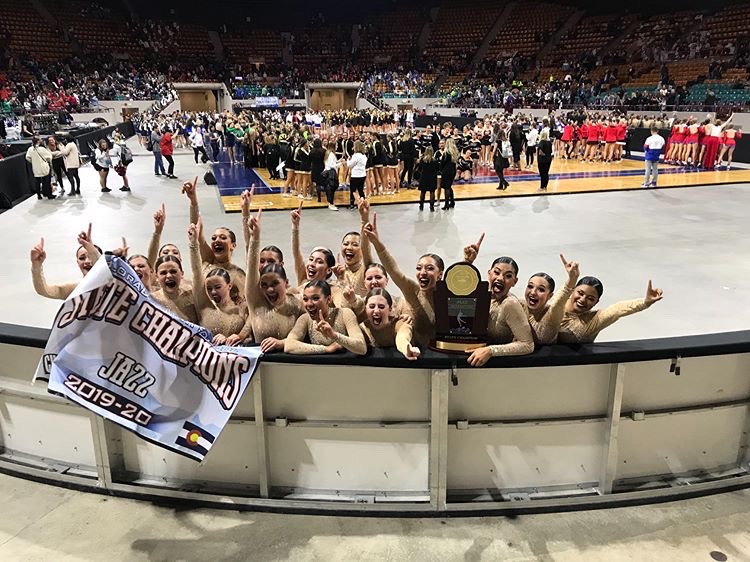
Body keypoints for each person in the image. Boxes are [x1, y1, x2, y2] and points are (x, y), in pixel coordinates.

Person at [227, 208, 304, 350]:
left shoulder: (296, 300)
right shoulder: (255, 297)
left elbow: (307, 329)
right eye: (264, 284)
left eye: (275, 283)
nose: (269, 289)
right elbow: (250, 261)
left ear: (285, 282)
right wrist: (254, 237)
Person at [363, 213, 441, 347]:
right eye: (418, 268)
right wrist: (377, 243)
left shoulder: (446, 293)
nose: (422, 272)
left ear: (440, 275)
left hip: (444, 353)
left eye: (429, 268)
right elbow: (393, 271)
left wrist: (467, 263)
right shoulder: (413, 290)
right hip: (417, 355)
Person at [462, 243, 534, 367]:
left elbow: (527, 344)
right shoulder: (482, 295)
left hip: (498, 367)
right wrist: (467, 262)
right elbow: (456, 290)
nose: (500, 278)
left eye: (508, 276)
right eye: (497, 272)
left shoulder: (510, 304)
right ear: (489, 273)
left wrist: (491, 350)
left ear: (514, 281)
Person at [187, 217, 247, 342]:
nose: (217, 240)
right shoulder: (206, 265)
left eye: (223, 237)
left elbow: (248, 309)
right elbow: (197, 235)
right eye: (213, 238)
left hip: (232, 330)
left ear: (233, 245)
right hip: (205, 322)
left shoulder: (240, 275)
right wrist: (193, 203)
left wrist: (241, 336)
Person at [558, 277, 663, 343]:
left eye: (591, 299)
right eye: (580, 293)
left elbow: (618, 308)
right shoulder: (557, 303)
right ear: (572, 291)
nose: (583, 299)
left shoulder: (594, 320)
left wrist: (645, 302)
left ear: (596, 302)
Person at [284, 280, 367, 355]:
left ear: (328, 299)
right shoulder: (305, 318)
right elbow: (289, 345)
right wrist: (325, 349)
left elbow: (362, 348)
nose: (309, 304)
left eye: (315, 298)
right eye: (305, 299)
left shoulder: (345, 314)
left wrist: (334, 335)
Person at [523, 254, 580, 344]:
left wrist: (572, 279)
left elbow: (560, 300)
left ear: (550, 296)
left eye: (541, 289)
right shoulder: (518, 305)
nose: (533, 292)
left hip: (548, 357)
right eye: (530, 286)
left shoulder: (552, 314)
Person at [30, 232, 100, 300]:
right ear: (77, 263)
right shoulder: (75, 289)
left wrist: (93, 252)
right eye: (82, 258)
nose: (87, 261)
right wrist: (36, 265)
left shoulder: (110, 284)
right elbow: (44, 290)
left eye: (91, 256)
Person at [359, 288, 420, 360]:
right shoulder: (363, 328)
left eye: (381, 307)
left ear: (390, 309)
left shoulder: (400, 323)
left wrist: (406, 349)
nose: (376, 311)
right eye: (372, 306)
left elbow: (402, 337)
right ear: (366, 308)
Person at [151, 255, 198, 323]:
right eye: (163, 273)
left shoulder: (192, 296)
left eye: (173, 271)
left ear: (182, 274)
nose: (169, 276)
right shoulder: (152, 299)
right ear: (156, 277)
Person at [346, 140, 367, 210]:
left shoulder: (355, 156)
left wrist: (348, 160)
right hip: (363, 175)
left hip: (355, 175)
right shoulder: (364, 156)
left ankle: (352, 205)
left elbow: (350, 165)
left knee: (353, 190)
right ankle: (364, 203)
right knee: (361, 190)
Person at [418, 146, 439, 212]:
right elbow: (438, 169)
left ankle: (421, 206)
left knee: (423, 192)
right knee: (432, 192)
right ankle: (431, 207)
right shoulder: (434, 160)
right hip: (432, 177)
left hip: (424, 177)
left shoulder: (422, 160)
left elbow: (419, 169)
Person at [440, 138, 458, 210]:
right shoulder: (455, 152)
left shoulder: (446, 152)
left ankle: (446, 204)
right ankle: (452, 202)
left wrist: (440, 170)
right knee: (449, 186)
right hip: (453, 171)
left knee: (446, 188)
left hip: (446, 171)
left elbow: (442, 164)